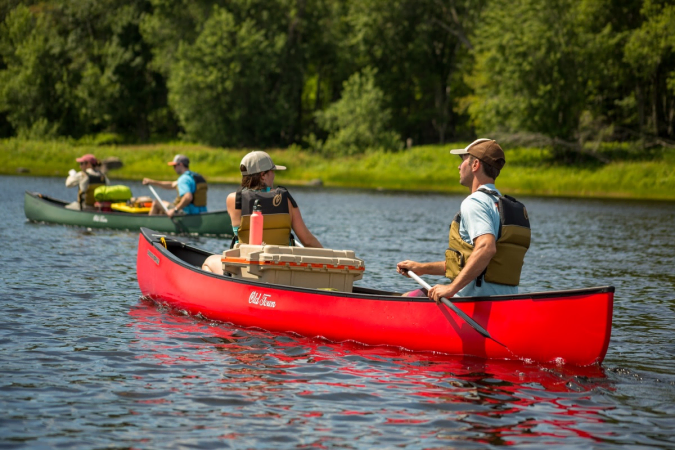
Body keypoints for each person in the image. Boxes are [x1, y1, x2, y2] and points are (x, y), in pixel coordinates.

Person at [396, 138, 530, 301]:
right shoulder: (506, 206)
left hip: (475, 303)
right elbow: (470, 263)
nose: (459, 166)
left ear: (475, 165)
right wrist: (422, 268)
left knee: (410, 297)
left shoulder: (475, 202)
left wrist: (451, 289)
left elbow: (486, 248)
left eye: (463, 160)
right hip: (509, 304)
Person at [202, 151, 322, 273]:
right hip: (282, 268)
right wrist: (331, 257)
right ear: (263, 175)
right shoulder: (286, 199)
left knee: (209, 261)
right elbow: (307, 241)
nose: (274, 175)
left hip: (247, 269)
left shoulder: (233, 200)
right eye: (272, 171)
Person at [142, 154, 208, 217]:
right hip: (201, 213)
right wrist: (152, 182)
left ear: (181, 164)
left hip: (188, 213)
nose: (174, 168)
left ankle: (148, 225)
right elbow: (172, 184)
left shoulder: (183, 179)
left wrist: (175, 210)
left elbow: (188, 197)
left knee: (156, 203)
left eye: (174, 166)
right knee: (164, 208)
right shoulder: (196, 176)